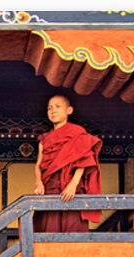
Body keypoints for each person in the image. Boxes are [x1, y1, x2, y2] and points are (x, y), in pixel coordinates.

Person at [33, 94, 102, 232]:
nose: (53, 111)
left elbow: (84, 160)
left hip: (72, 190)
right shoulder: (44, 139)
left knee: (73, 229)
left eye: (58, 107)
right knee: (48, 229)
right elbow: (38, 164)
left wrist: (73, 184)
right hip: (50, 188)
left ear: (69, 110)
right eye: (49, 108)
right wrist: (38, 182)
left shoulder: (78, 134)